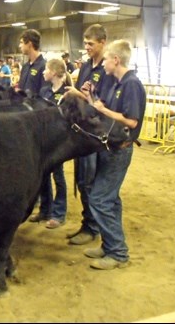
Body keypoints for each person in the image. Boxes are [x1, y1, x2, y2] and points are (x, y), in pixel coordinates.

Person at [81, 39, 146, 270]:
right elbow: (105, 109)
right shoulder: (116, 82)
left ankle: (118, 253)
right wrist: (91, 99)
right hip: (110, 148)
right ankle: (110, 245)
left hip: (120, 150)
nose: (103, 64)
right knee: (111, 200)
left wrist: (104, 109)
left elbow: (131, 120)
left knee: (99, 199)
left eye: (106, 59)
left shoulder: (131, 84)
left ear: (115, 60)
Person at [65, 24, 117, 246]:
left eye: (90, 44)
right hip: (83, 131)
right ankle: (88, 223)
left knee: (92, 182)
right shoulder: (86, 66)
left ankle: (92, 227)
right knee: (82, 180)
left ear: (102, 43)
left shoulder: (107, 70)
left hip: (99, 133)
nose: (86, 47)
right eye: (85, 43)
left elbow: (104, 103)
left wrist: (79, 94)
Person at [29, 58, 73, 228]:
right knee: (43, 176)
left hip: (59, 142)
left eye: (46, 69)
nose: (43, 72)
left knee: (59, 177)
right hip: (45, 140)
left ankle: (59, 213)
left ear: (53, 72)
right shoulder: (45, 91)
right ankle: (45, 210)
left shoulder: (67, 93)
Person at [17, 29, 46, 96]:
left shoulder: (44, 67)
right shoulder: (25, 67)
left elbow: (44, 94)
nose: (19, 46)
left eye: (21, 42)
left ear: (29, 44)